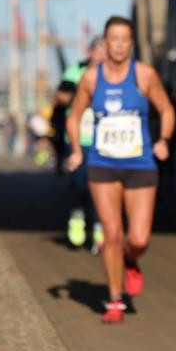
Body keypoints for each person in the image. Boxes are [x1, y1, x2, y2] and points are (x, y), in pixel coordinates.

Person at [67, 16, 175, 323]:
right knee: (113, 234)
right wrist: (76, 150)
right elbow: (74, 116)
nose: (118, 45)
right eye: (113, 39)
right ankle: (115, 301)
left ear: (131, 44)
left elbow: (167, 109)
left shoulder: (144, 74)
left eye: (124, 39)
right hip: (103, 164)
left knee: (139, 239)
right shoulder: (91, 78)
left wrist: (164, 140)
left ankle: (130, 259)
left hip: (140, 164)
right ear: (105, 42)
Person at [56, 37, 107, 251]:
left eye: (106, 50)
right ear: (90, 51)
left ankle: (100, 228)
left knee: (101, 186)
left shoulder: (113, 74)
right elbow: (61, 96)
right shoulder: (75, 71)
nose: (103, 54)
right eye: (99, 49)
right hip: (79, 137)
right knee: (80, 184)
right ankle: (77, 216)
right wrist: (82, 97)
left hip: (104, 140)